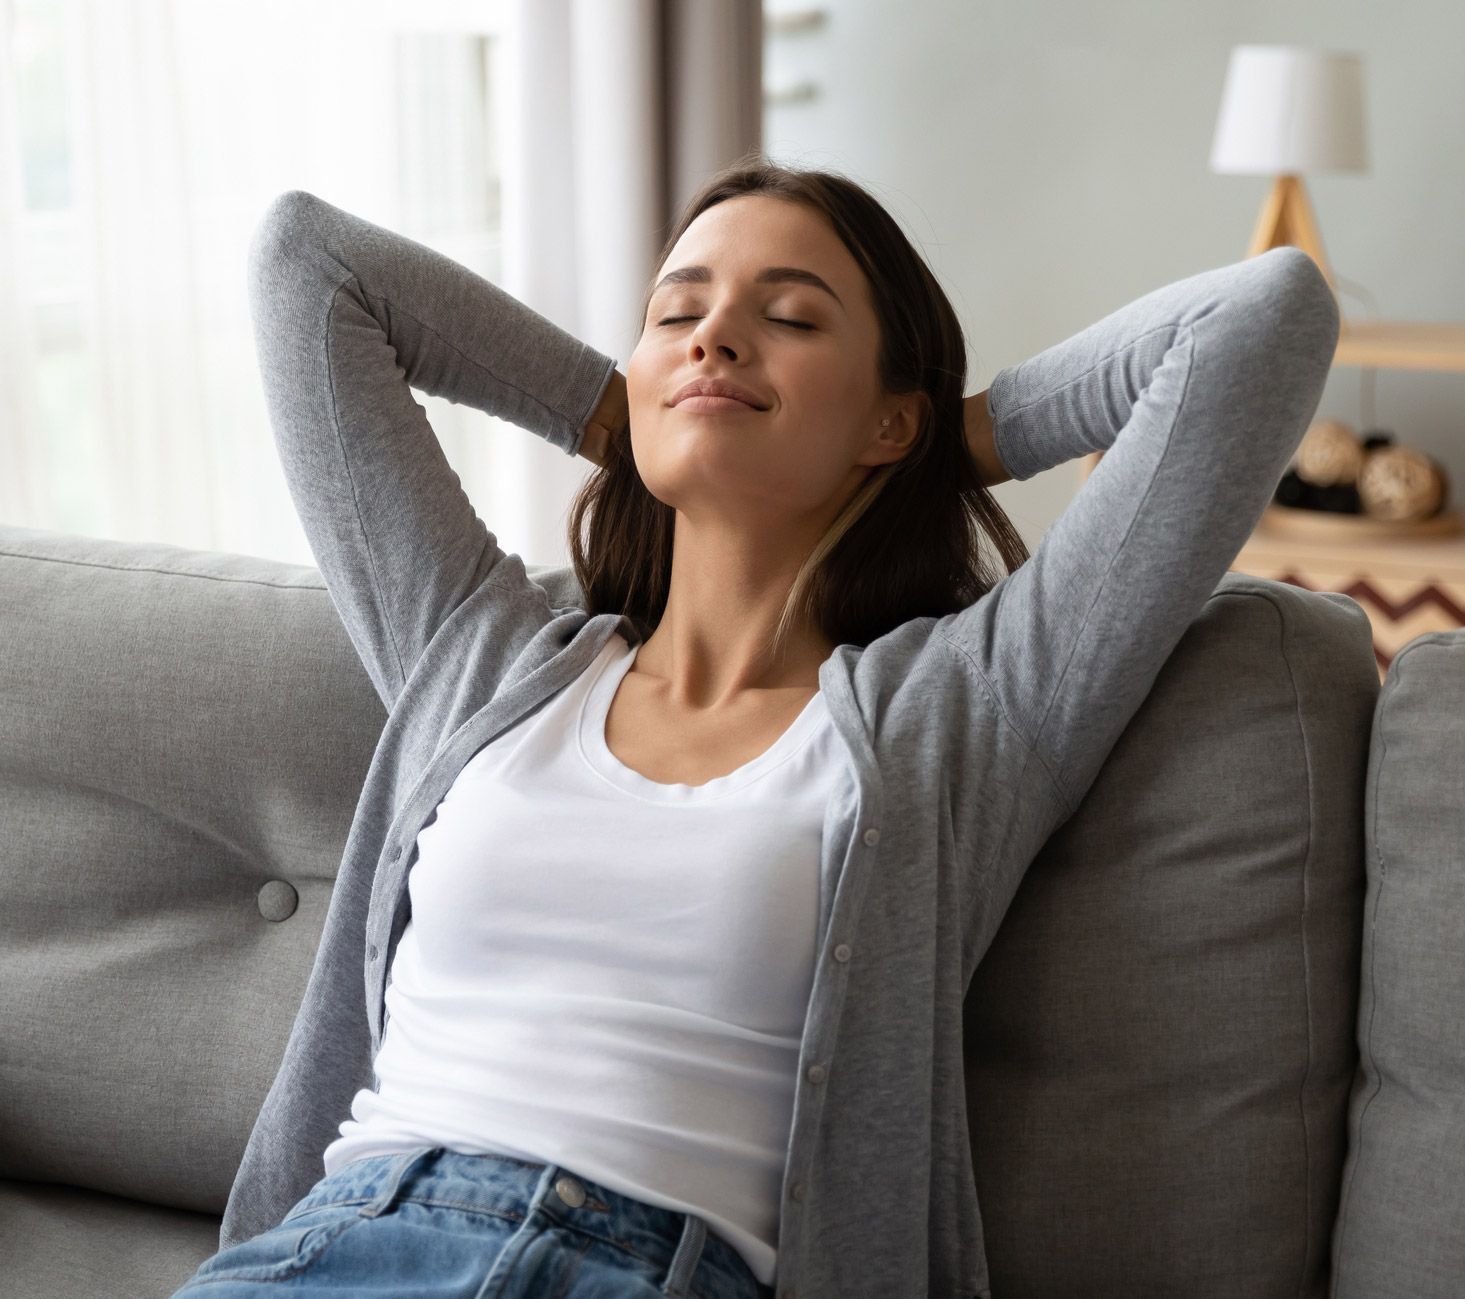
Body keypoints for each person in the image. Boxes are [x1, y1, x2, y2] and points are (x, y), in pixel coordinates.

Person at [171, 152, 1339, 1299]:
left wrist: (946, 446)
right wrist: (617, 409)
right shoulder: (477, 659)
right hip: (340, 1250)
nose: (713, 337)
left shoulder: (964, 709)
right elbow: (307, 264)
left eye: (787, 318)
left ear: (887, 421)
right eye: (677, 312)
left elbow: (1261, 318)